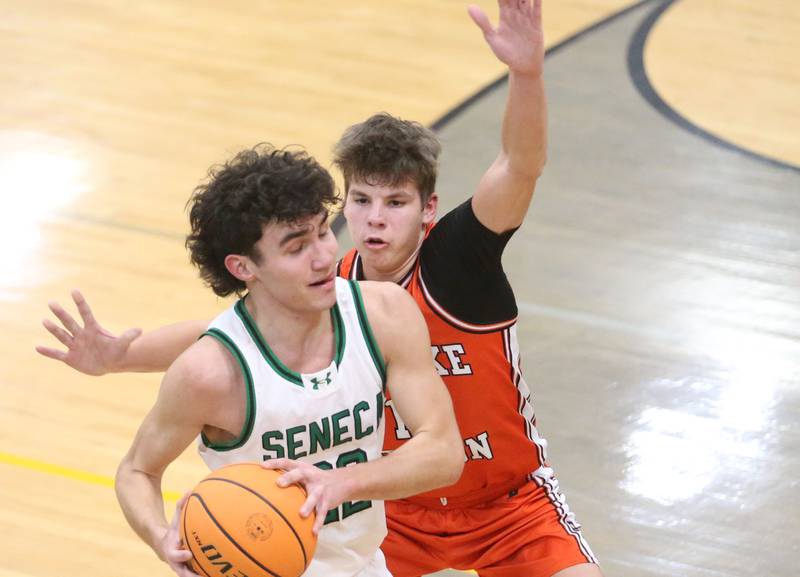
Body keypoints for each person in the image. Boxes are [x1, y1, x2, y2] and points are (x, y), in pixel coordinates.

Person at [38, 2, 604, 576]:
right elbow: (217, 334)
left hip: (503, 502)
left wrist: (527, 74)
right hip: (394, 505)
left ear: (427, 210)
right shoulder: (326, 286)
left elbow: (520, 164)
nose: (375, 220)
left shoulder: (458, 260)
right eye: (361, 201)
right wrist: (120, 356)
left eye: (396, 203)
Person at [110, 145, 464, 577]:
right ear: (244, 267)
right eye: (297, 247)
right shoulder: (210, 374)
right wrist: (160, 536)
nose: (323, 256)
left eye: (322, 231)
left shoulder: (384, 314)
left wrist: (340, 483)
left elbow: (445, 454)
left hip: (363, 567)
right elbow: (137, 470)